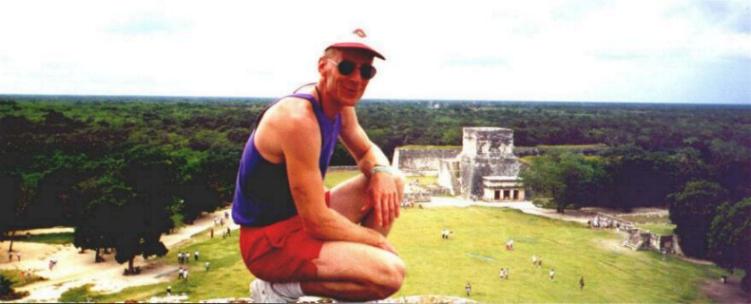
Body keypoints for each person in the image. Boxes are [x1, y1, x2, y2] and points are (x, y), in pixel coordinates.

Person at [232, 28, 405, 303]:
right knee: (390, 274)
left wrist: (382, 172)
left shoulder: (338, 104)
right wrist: (376, 242)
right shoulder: (298, 119)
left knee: (393, 180)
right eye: (347, 67)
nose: (356, 79)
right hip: (267, 243)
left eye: (366, 72)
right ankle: (277, 289)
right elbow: (316, 221)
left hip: (297, 221)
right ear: (323, 67)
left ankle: (355, 284)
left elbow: (366, 151)